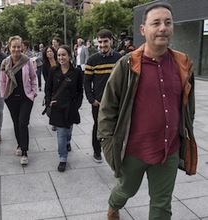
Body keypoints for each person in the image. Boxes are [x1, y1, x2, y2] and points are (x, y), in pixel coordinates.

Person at [97, 3, 197, 220]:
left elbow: (189, 106)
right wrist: (107, 144)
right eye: (156, 23)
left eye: (167, 22)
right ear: (143, 30)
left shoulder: (183, 64)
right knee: (126, 190)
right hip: (134, 150)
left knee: (162, 204)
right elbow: (107, 108)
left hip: (169, 149)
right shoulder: (127, 65)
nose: (163, 28)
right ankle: (114, 205)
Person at [84, 29, 122, 163]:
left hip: (116, 102)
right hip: (98, 102)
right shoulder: (92, 60)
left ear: (111, 41)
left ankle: (115, 152)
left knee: (116, 127)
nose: (102, 45)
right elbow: (87, 82)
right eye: (100, 42)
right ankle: (96, 151)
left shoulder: (119, 59)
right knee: (98, 126)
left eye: (105, 41)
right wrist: (91, 99)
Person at [0, 35, 37, 165]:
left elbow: (33, 77)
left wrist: (33, 93)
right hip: (11, 98)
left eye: (18, 46)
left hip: (25, 98)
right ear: (9, 47)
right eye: (13, 46)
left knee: (23, 123)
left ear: (22, 47)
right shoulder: (5, 63)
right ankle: (19, 145)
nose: (16, 49)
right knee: (16, 123)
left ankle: (25, 151)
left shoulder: (27, 61)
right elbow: (2, 81)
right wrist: (4, 95)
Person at [45, 45, 83, 172]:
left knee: (68, 130)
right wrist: (49, 101)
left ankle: (68, 142)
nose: (61, 58)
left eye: (63, 55)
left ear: (70, 56)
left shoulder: (76, 72)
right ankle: (62, 158)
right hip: (57, 106)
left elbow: (79, 90)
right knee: (60, 132)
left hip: (71, 107)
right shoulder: (53, 71)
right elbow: (48, 88)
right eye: (59, 55)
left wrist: (77, 105)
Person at [42, 46, 58, 131]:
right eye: (47, 52)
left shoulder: (58, 61)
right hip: (50, 87)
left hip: (60, 87)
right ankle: (53, 121)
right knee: (51, 106)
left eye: (51, 51)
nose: (49, 53)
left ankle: (57, 121)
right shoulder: (45, 65)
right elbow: (46, 77)